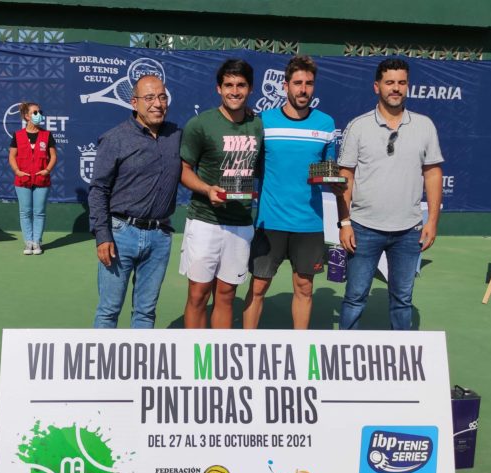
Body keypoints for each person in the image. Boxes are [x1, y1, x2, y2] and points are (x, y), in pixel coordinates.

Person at [336, 58, 443, 330]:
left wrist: (431, 221)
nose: (396, 88)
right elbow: (344, 177)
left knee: (403, 299)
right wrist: (345, 222)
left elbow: (432, 174)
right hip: (362, 228)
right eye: (389, 82)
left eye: (401, 82)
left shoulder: (425, 126)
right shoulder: (358, 127)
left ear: (407, 86)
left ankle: (402, 362)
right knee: (355, 298)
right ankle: (342, 357)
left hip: (409, 230)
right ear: (377, 87)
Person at [243, 55, 337, 329]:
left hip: (309, 224)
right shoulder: (264, 121)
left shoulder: (326, 124)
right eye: (297, 83)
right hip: (269, 222)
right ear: (286, 86)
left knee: (305, 289)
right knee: (258, 287)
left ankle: (298, 350)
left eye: (309, 83)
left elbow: (329, 170)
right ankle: (246, 347)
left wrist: (335, 180)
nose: (303, 89)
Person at [88, 75, 182, 328]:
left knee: (146, 312)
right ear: (134, 103)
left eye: (162, 97)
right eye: (149, 97)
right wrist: (102, 235)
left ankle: (138, 369)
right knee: (109, 311)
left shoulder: (176, 135)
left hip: (160, 236)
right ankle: (101, 367)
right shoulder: (115, 138)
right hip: (120, 236)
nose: (157, 103)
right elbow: (98, 189)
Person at [179, 59, 263, 328]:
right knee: (198, 294)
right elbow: (183, 169)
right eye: (228, 85)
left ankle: (218, 362)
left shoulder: (259, 126)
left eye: (240, 85)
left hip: (240, 224)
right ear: (218, 89)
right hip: (205, 220)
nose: (234, 91)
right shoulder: (200, 124)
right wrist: (206, 189)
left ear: (250, 89)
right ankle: (194, 361)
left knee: (226, 296)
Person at [8, 102, 57, 255]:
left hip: (42, 180)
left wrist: (47, 170)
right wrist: (17, 171)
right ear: (27, 116)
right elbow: (12, 156)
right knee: (25, 212)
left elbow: (54, 156)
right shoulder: (17, 135)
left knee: (39, 212)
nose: (39, 115)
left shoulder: (47, 135)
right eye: (35, 112)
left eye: (40, 112)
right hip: (22, 180)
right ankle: (28, 242)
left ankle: (37, 242)